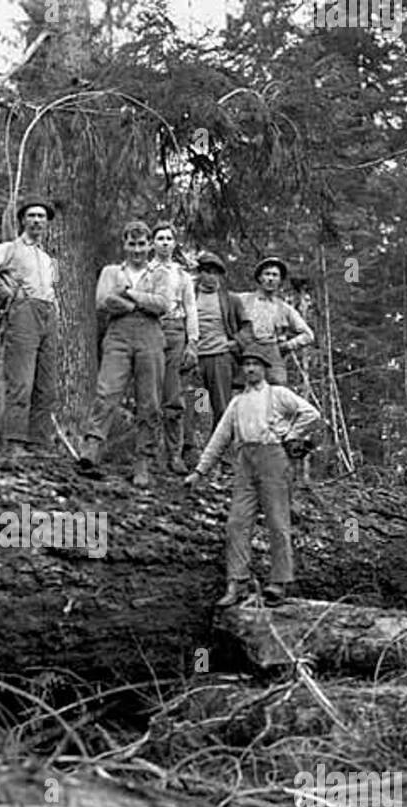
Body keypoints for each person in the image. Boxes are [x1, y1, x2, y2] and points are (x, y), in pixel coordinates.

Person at [184, 344, 321, 607]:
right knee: (237, 522)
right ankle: (237, 582)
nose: (250, 369)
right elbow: (219, 439)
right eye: (246, 365)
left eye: (255, 364)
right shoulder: (237, 402)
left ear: (264, 368)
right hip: (245, 462)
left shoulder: (278, 394)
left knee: (277, 521)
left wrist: (290, 435)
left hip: (272, 458)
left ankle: (279, 582)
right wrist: (199, 472)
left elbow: (311, 414)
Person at [78, 220, 170, 487]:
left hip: (150, 336)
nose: (137, 249)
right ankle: (91, 451)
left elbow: (162, 304)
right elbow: (103, 301)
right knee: (107, 391)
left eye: (142, 244)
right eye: (132, 243)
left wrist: (129, 294)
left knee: (149, 401)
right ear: (125, 244)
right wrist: (138, 304)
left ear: (150, 245)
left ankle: (143, 462)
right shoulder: (111, 271)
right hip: (118, 334)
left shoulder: (160, 274)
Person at [0, 197, 59, 456]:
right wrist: (7, 292)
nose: (36, 221)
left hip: (48, 315)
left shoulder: (48, 259)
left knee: (46, 383)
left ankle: (39, 442)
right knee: (21, 380)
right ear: (23, 220)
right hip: (24, 314)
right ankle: (15, 441)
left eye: (42, 217)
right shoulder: (10, 248)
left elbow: (52, 289)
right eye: (31, 216)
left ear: (47, 223)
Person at [185, 250, 252, 468]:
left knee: (221, 406)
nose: (211, 277)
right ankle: (190, 451)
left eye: (216, 273)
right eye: (207, 272)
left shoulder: (230, 300)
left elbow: (247, 328)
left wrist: (234, 344)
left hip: (219, 360)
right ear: (200, 273)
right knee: (196, 405)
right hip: (195, 360)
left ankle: (220, 454)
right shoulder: (190, 295)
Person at [149, 222, 199, 474]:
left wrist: (193, 341)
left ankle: (174, 454)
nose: (165, 242)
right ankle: (148, 453)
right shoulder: (145, 271)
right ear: (152, 243)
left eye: (169, 238)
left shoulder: (182, 275)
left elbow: (191, 308)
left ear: (174, 243)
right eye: (160, 238)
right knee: (149, 392)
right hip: (150, 330)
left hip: (176, 331)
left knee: (174, 395)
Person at [241, 255, 314, 387]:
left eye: (275, 275)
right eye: (267, 274)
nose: (270, 279)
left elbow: (308, 335)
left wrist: (287, 346)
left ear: (280, 280)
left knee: (277, 391)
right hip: (247, 354)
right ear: (259, 277)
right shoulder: (243, 300)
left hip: (273, 355)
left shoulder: (285, 309)